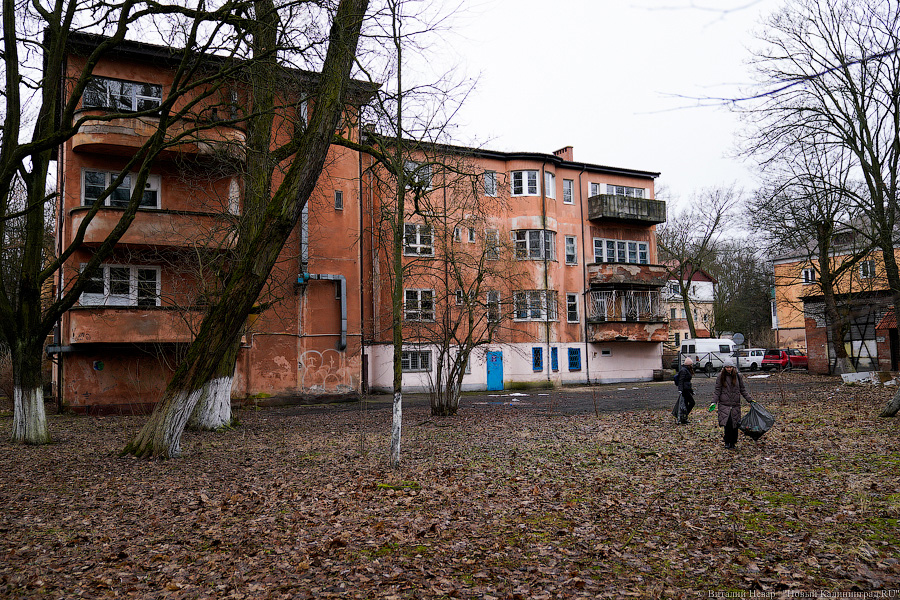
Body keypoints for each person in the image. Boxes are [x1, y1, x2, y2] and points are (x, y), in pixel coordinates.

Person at [713, 357, 754, 449]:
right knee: (727, 424)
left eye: (730, 367)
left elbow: (743, 390)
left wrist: (750, 400)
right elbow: (717, 391)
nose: (729, 369)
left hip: (735, 405)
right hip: (724, 404)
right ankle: (727, 442)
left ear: (733, 367)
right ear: (724, 368)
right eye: (727, 367)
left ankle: (733, 442)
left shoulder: (738, 376)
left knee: (735, 425)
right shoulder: (720, 376)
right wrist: (713, 402)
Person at [675, 357, 695, 424]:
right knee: (691, 402)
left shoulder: (686, 370)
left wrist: (691, 391)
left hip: (686, 389)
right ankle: (684, 416)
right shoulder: (684, 370)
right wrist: (680, 390)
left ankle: (684, 418)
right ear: (689, 365)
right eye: (691, 364)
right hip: (684, 390)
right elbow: (681, 380)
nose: (692, 366)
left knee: (686, 404)